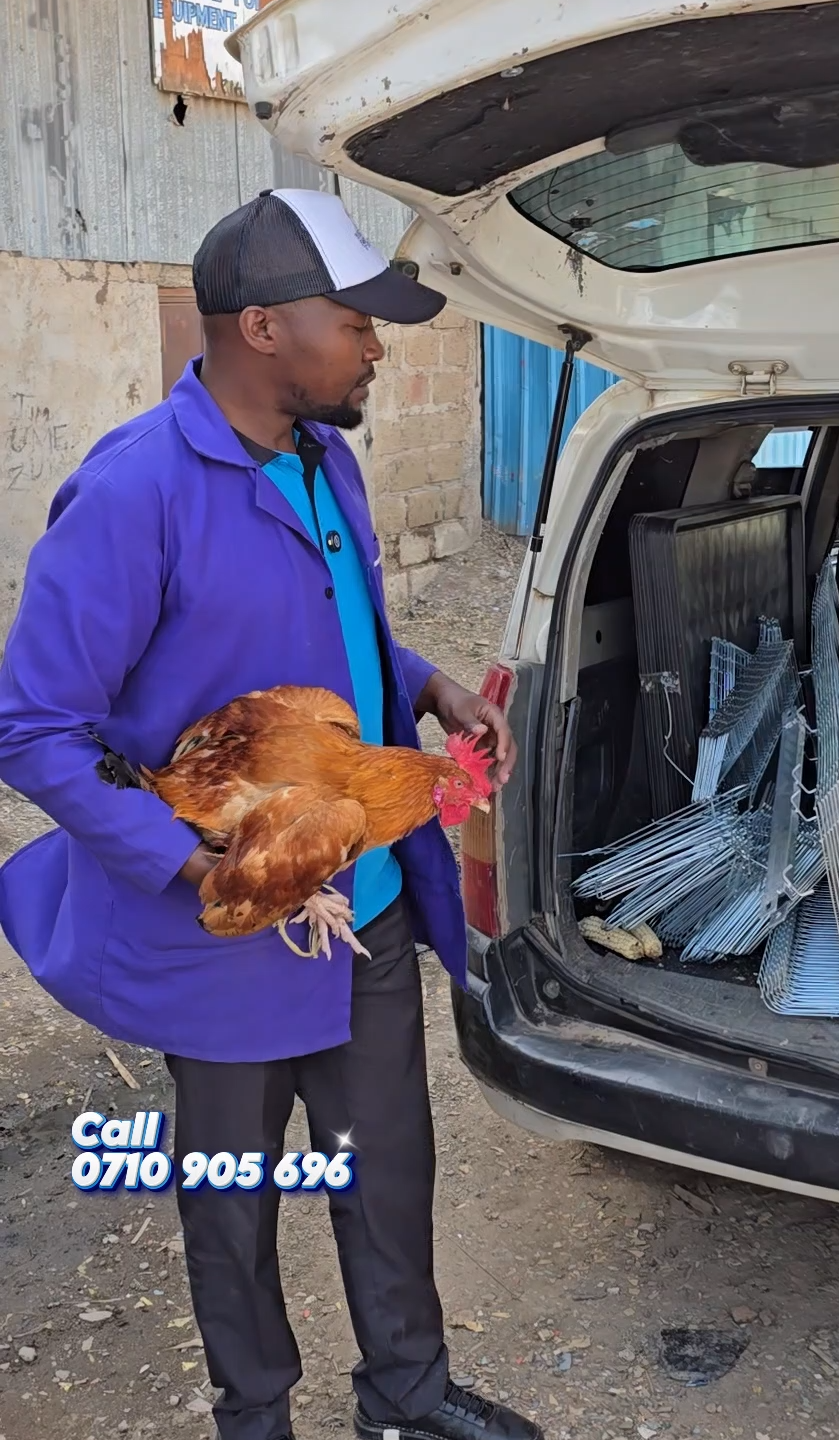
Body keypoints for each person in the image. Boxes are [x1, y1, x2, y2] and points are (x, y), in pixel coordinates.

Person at [0, 189, 540, 1440]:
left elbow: (334, 645)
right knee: (233, 1200)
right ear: (260, 328)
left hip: (368, 912)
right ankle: (257, 1418)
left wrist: (427, 683)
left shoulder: (327, 461)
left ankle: (405, 1401)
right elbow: (33, 728)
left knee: (387, 1174)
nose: (375, 346)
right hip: (227, 941)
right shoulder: (135, 494)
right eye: (352, 321)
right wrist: (200, 872)